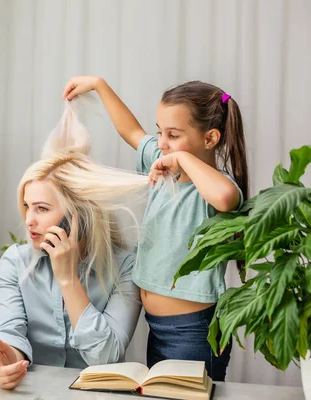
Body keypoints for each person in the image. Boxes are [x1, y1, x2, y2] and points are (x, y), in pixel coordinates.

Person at [62, 76, 249, 381]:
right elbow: (132, 131)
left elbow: (227, 198)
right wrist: (99, 85)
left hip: (194, 331)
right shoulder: (165, 166)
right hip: (157, 327)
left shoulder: (215, 186)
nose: (162, 143)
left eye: (173, 135)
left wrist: (182, 158)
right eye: (161, 132)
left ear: (210, 138)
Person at [0, 101, 151, 389]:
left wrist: (68, 280)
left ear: (78, 215)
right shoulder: (15, 261)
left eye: (42, 208)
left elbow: (106, 356)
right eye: (27, 207)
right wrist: (6, 358)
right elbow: (10, 331)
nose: (29, 220)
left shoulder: (125, 266)